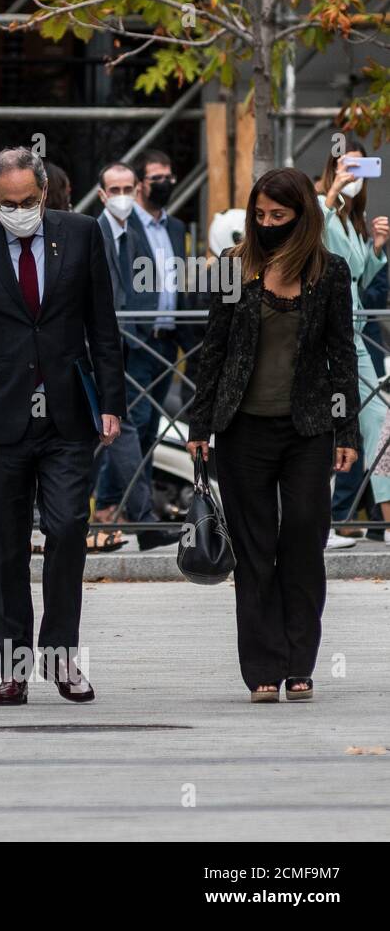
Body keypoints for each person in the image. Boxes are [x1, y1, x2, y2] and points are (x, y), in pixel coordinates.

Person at [0, 146, 124, 706]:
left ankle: (61, 658)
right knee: (6, 545)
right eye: (8, 203)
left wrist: (111, 402)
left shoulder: (81, 233)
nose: (19, 210)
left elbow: (102, 326)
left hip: (66, 414)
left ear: (44, 193)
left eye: (29, 201)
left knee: (66, 530)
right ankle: (13, 665)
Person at [187, 167, 361, 703]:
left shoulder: (329, 273)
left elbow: (342, 354)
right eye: (259, 216)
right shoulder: (232, 269)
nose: (266, 225)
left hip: (308, 427)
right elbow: (212, 349)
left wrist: (347, 428)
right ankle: (263, 665)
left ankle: (300, 663)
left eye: (278, 217)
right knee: (254, 546)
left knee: (305, 538)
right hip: (242, 428)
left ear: (301, 217)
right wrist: (199, 424)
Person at [93, 148, 196, 546]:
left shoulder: (175, 228)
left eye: (169, 174)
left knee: (146, 431)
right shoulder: (119, 228)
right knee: (126, 429)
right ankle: (133, 514)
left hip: (167, 341)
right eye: (156, 176)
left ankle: (110, 509)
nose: (164, 182)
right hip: (133, 342)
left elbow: (180, 282)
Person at [317, 142, 390, 542]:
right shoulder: (320, 205)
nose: (353, 175)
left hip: (355, 330)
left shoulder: (353, 219)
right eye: (347, 166)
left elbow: (359, 276)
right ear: (332, 168)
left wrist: (376, 249)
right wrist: (331, 193)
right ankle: (322, 522)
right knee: (327, 424)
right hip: (326, 329)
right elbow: (308, 236)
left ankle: (385, 518)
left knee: (378, 418)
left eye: (361, 169)